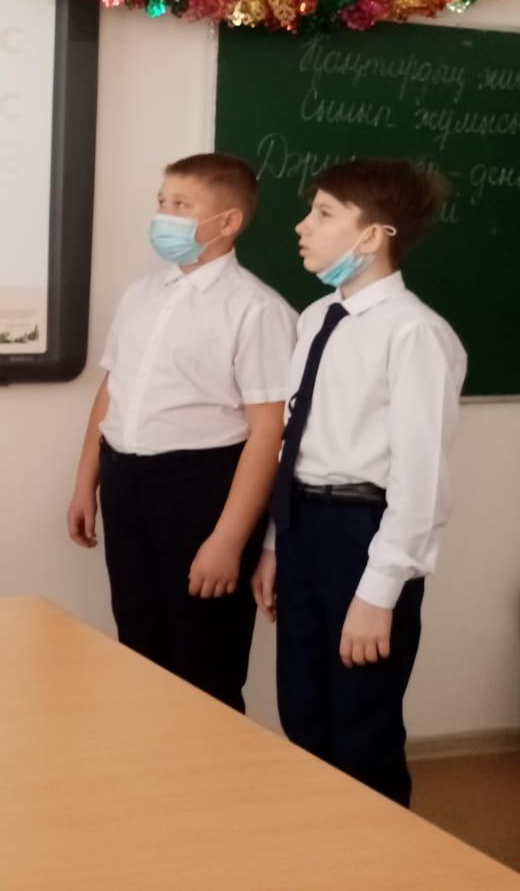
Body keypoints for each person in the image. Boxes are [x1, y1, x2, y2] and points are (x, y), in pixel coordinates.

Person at [251, 158, 464, 805]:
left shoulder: (415, 333)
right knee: (304, 712)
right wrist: (275, 541)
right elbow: (297, 440)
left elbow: (420, 480)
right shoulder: (316, 317)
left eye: (323, 213)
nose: (302, 226)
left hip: (364, 537)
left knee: (361, 726)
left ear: (371, 235)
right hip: (303, 525)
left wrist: (379, 593)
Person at [68, 153, 295, 711]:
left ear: (228, 221)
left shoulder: (257, 309)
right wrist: (85, 482)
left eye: (181, 205)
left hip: (201, 489)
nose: (163, 216)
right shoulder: (142, 294)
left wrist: (228, 540)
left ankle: (210, 764)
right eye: (161, 202)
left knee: (202, 660)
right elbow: (113, 390)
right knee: (138, 643)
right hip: (126, 479)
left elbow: (268, 432)